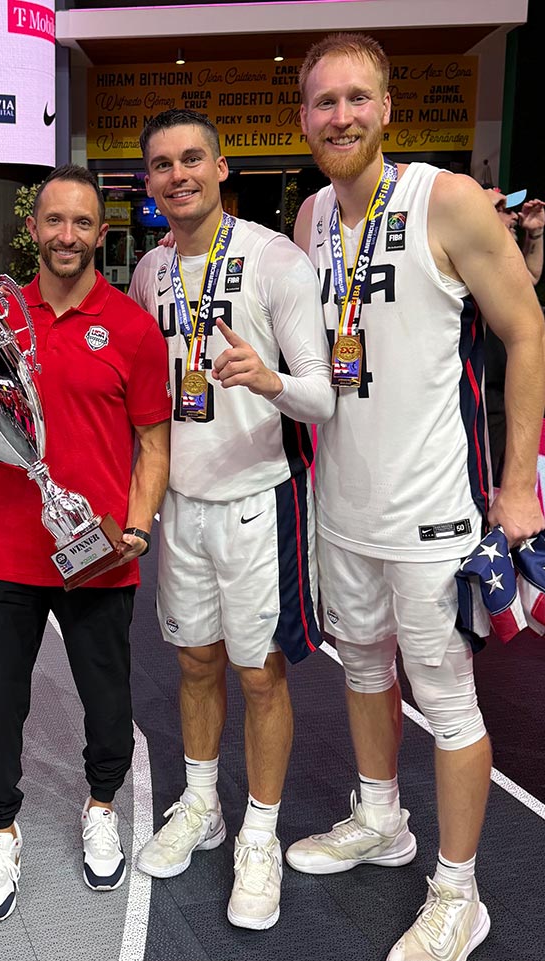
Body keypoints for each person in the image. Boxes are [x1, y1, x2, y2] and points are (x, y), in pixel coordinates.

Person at [287, 33, 545, 961]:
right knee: (362, 671)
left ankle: (459, 892)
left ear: (388, 108)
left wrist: (518, 487)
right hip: (343, 508)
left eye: (358, 98)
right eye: (324, 102)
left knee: (449, 699)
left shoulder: (448, 198)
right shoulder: (310, 214)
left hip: (433, 511)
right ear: (304, 118)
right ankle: (381, 819)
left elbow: (526, 327)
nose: (341, 115)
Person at [0, 164, 171, 920]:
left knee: (107, 698)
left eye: (82, 222)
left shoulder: (135, 330)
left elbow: (153, 441)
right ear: (34, 229)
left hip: (99, 551)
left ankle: (101, 806)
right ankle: (1, 827)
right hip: (9, 547)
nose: (67, 235)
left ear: (99, 233)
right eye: (55, 221)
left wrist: (138, 525)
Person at [126, 109, 334, 930]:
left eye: (191, 160)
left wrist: (271, 379)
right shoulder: (150, 271)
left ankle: (259, 832)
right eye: (161, 165)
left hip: (258, 501)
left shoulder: (274, 260)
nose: (178, 175)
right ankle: (203, 803)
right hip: (181, 503)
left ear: (221, 167)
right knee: (196, 665)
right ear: (148, 182)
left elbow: (323, 395)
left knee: (260, 673)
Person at [481, 186, 544, 478]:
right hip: (484, 396)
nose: (515, 216)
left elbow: (530, 276)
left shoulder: (503, 258)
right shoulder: (475, 257)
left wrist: (536, 235)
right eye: (504, 210)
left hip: (506, 390)